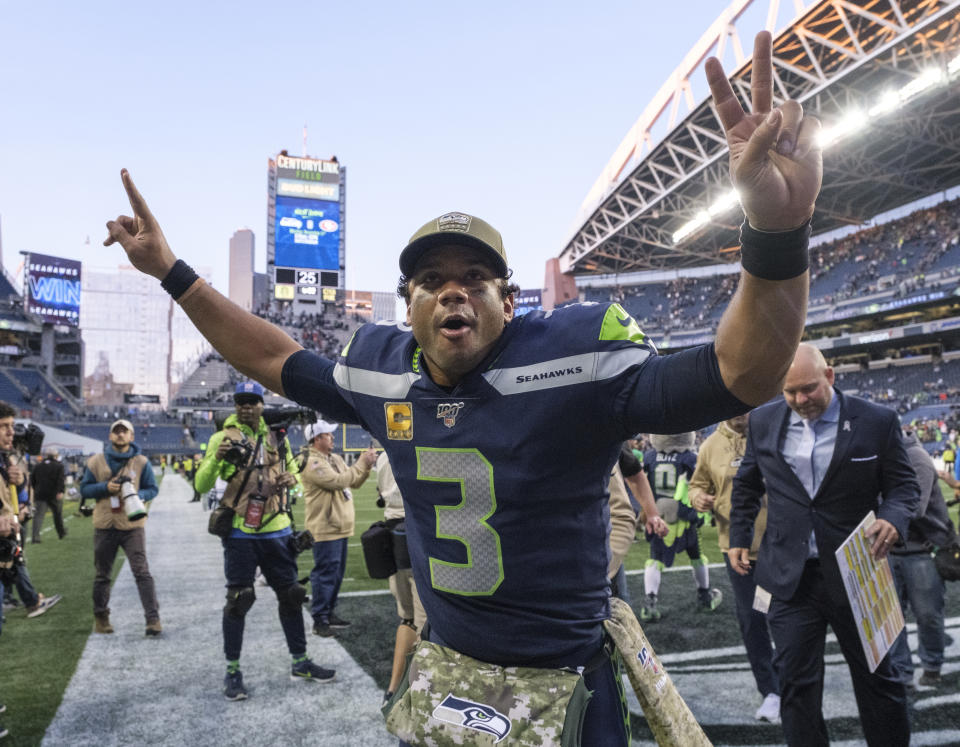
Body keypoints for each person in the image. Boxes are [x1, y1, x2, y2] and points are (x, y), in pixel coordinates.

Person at [106, 30, 821, 744]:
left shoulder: (576, 358)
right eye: (432, 282)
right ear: (408, 304)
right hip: (451, 673)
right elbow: (275, 357)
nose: (454, 293)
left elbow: (742, 372)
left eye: (475, 279)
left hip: (566, 676)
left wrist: (778, 232)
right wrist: (173, 272)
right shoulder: (383, 373)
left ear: (509, 303)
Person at [729, 344, 920, 747]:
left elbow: (904, 486)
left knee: (880, 682)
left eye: (809, 389)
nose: (800, 400)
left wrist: (893, 517)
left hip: (860, 571)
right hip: (790, 579)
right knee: (796, 687)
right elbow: (747, 483)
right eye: (790, 392)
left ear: (830, 376)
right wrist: (739, 537)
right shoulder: (763, 421)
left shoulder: (877, 421)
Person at [194, 381, 334, 700]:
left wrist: (290, 481)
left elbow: (297, 485)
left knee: (292, 595)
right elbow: (201, 484)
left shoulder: (277, 436)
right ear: (235, 406)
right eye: (240, 402)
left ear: (261, 404)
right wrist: (217, 458)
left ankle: (300, 662)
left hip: (278, 529)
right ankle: (232, 671)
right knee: (239, 600)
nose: (246, 407)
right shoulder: (221, 437)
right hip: (240, 532)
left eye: (252, 401)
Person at [689, 413, 781, 722]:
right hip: (738, 551)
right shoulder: (710, 446)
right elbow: (696, 485)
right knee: (753, 618)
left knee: (787, 615)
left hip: (781, 545)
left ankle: (792, 680)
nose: (742, 413)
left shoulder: (770, 429)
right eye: (735, 407)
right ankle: (771, 690)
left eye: (747, 406)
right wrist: (698, 497)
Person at [888, 425, 956, 689]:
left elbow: (913, 508)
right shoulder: (884, 457)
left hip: (922, 550)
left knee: (928, 614)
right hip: (890, 550)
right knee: (891, 619)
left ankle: (931, 665)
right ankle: (902, 672)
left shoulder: (916, 458)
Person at [80, 419, 161, 636]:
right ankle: (101, 617)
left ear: (132, 437)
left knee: (142, 572)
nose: (120, 435)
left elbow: (153, 489)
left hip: (132, 523)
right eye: (116, 432)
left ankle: (152, 619)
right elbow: (85, 489)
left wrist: (137, 495)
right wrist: (105, 488)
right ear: (110, 436)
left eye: (124, 432)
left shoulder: (142, 462)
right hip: (104, 524)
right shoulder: (95, 461)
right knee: (102, 574)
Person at [299, 419, 377, 637]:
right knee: (325, 574)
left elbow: (354, 482)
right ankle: (320, 618)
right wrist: (361, 463)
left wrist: (367, 466)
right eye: (328, 435)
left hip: (340, 526)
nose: (333, 438)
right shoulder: (311, 461)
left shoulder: (333, 458)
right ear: (317, 439)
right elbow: (338, 481)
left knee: (336, 574)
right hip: (324, 526)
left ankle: (328, 612)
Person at [641, 432, 721, 621]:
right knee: (696, 556)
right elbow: (702, 486)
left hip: (659, 517)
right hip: (684, 519)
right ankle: (705, 596)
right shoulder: (689, 458)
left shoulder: (650, 457)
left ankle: (649, 603)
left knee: (655, 559)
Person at [376, 450, 427, 704]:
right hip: (415, 536)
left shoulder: (383, 456)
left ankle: (393, 690)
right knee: (424, 625)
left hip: (391, 536)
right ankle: (415, 699)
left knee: (406, 618)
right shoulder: (417, 447)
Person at [30, 447, 67, 542]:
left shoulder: (38, 466)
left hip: (40, 494)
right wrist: (61, 491)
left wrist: (36, 489)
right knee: (57, 515)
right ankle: (61, 533)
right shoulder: (59, 466)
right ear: (55, 456)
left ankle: (35, 537)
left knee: (38, 516)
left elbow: (32, 480)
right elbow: (60, 480)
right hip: (54, 494)